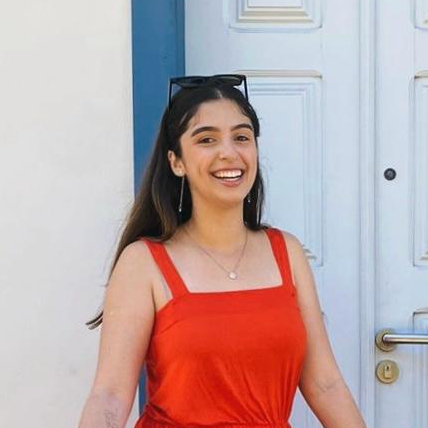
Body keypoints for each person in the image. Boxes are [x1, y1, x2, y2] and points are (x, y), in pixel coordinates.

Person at [77, 74, 368, 428]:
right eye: (207, 139)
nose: (229, 152)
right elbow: (109, 396)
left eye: (242, 137)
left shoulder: (287, 252)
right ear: (176, 162)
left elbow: (325, 384)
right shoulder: (144, 262)